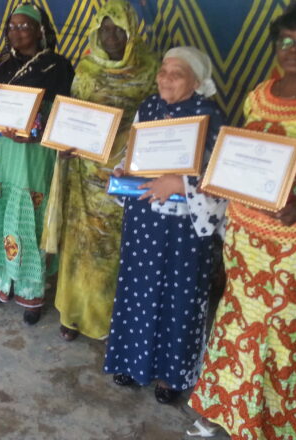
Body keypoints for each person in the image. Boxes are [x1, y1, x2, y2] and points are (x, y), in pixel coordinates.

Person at [188, 0, 296, 439]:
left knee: (284, 335)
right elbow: (246, 156)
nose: (293, 49)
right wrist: (220, 178)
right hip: (245, 235)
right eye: (285, 41)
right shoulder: (259, 94)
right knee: (238, 323)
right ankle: (232, 415)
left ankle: (281, 428)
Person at [102, 47, 226, 405]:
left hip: (184, 228)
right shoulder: (150, 107)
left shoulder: (210, 116)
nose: (166, 79)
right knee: (137, 288)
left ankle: (172, 375)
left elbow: (220, 178)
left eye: (178, 73)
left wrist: (179, 184)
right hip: (145, 220)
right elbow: (136, 153)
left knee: (179, 295)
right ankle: (131, 361)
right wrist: (127, 170)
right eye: (164, 71)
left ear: (198, 81)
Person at [51, 0, 158, 341]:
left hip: (125, 173)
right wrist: (64, 145)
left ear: (132, 31)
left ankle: (114, 318)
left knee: (116, 249)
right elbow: (73, 116)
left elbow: (158, 123)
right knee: (82, 247)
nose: (110, 36)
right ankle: (74, 313)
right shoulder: (86, 70)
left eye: (117, 29)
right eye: (104, 28)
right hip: (84, 173)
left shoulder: (152, 70)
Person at [0, 3, 74, 325]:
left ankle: (31, 292)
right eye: (11, 27)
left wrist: (37, 132)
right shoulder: (3, 63)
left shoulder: (57, 66)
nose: (16, 32)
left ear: (40, 30)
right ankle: (1, 280)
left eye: (24, 26)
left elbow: (66, 110)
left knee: (28, 217)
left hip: (32, 152)